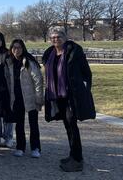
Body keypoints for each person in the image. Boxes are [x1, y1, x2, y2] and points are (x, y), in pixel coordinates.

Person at [42, 27, 95, 172]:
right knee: (68, 126)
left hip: (71, 95)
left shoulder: (74, 51)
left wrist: (83, 90)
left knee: (72, 126)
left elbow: (86, 73)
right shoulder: (50, 53)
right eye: (53, 37)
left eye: (58, 36)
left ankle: (77, 160)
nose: (55, 39)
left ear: (65, 37)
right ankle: (73, 155)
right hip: (57, 96)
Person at [3, 39, 43, 158]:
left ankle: (35, 147)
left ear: (23, 48)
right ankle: (20, 147)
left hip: (29, 96)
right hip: (16, 97)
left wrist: (39, 98)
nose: (16, 50)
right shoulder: (9, 62)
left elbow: (38, 80)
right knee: (19, 124)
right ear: (11, 49)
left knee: (33, 123)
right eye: (14, 47)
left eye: (19, 47)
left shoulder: (29, 61)